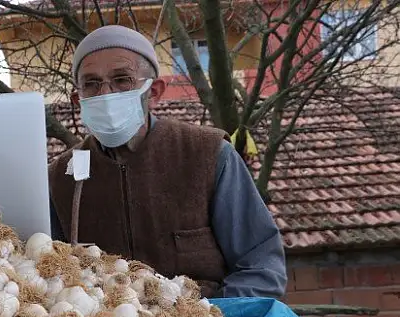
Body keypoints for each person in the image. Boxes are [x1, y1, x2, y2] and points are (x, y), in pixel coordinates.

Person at [48, 25, 287, 299]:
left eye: (122, 79)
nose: (105, 94)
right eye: (91, 84)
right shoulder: (59, 179)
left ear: (155, 91)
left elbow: (261, 266)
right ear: (78, 100)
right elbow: (46, 271)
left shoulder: (208, 155)